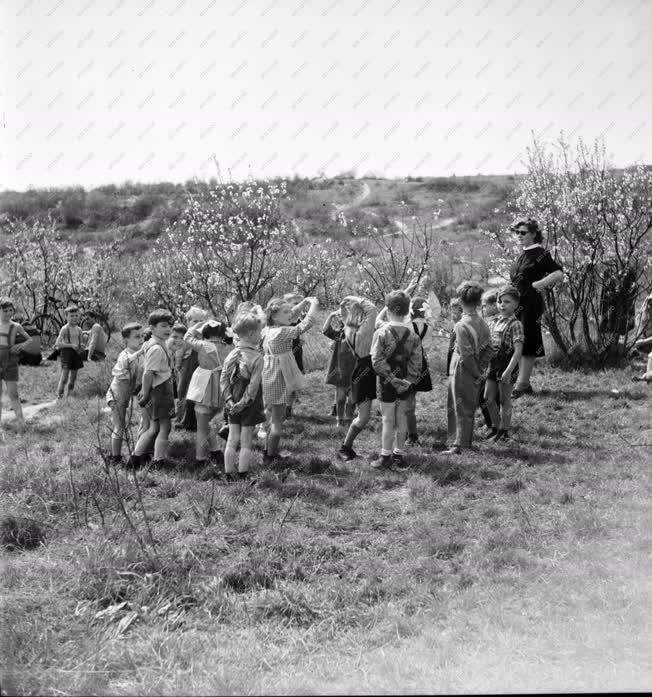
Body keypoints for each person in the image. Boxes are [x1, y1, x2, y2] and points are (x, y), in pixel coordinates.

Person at [508, 216, 563, 398]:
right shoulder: (523, 254)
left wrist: (540, 283)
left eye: (523, 232)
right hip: (515, 305)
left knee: (528, 341)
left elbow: (558, 272)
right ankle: (520, 382)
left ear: (533, 234)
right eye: (517, 232)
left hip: (531, 304)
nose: (519, 235)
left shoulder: (541, 253)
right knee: (516, 341)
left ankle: (522, 384)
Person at [261, 295, 319, 465]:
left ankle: (267, 451)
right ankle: (270, 457)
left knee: (272, 416)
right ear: (275, 316)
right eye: (285, 312)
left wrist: (303, 303)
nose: (290, 314)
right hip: (278, 377)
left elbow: (291, 314)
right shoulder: (284, 331)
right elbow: (305, 324)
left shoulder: (267, 330)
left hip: (269, 375)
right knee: (277, 423)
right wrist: (313, 305)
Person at [370, 290, 422, 470]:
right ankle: (399, 455)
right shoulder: (413, 335)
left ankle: (385, 456)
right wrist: (408, 381)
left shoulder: (381, 332)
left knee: (387, 419)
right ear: (407, 312)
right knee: (402, 418)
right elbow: (417, 361)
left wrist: (391, 379)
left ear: (388, 310)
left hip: (386, 382)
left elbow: (376, 360)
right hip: (405, 383)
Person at [445, 281, 494, 455]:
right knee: (469, 404)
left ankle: (460, 445)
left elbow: (466, 355)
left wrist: (475, 373)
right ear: (479, 301)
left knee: (459, 405)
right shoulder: (482, 322)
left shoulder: (461, 325)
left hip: (462, 369)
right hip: (477, 368)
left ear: (460, 300)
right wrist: (482, 368)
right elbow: (489, 348)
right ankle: (462, 441)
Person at [220, 312, 265, 480]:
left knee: (232, 440)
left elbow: (223, 379)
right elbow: (253, 386)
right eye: (260, 332)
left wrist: (229, 400)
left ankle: (228, 474)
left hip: (231, 403)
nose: (261, 335)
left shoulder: (231, 354)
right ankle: (243, 474)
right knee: (246, 442)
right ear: (252, 334)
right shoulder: (257, 357)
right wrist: (244, 403)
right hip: (249, 405)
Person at [130, 309, 176, 467]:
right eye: (163, 326)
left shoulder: (154, 343)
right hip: (159, 392)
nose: (168, 329)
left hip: (158, 390)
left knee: (153, 428)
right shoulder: (156, 348)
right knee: (165, 427)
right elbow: (148, 373)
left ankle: (136, 458)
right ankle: (158, 460)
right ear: (152, 328)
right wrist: (146, 392)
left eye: (170, 326)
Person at [184, 319, 231, 467]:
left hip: (204, 387)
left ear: (205, 331)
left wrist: (197, 325)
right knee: (207, 423)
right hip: (220, 387)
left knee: (201, 427)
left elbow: (187, 337)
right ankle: (215, 451)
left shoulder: (203, 345)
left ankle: (200, 458)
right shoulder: (229, 347)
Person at [336, 295, 378, 462]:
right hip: (365, 373)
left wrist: (343, 306)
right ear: (361, 315)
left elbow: (344, 314)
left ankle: (346, 448)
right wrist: (351, 298)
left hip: (363, 369)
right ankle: (344, 448)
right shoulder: (363, 332)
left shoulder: (348, 327)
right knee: (364, 417)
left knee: (365, 416)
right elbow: (373, 309)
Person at [483, 286, 524, 442]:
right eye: (500, 301)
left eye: (507, 302)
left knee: (504, 400)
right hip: (493, 365)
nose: (502, 305)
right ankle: (496, 427)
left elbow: (518, 351)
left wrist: (508, 371)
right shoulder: (494, 321)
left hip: (507, 365)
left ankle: (504, 432)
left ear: (515, 304)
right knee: (488, 398)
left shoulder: (516, 324)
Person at [105, 323, 145, 462]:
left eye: (142, 336)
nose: (141, 340)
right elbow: (127, 362)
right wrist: (140, 352)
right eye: (137, 337)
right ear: (126, 340)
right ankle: (115, 457)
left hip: (126, 394)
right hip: (116, 393)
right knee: (119, 426)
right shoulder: (126, 354)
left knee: (122, 424)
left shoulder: (140, 355)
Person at [405, 296, 434, 446]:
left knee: (406, 401)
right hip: (421, 363)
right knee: (411, 398)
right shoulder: (429, 327)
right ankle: (408, 432)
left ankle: (412, 435)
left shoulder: (407, 326)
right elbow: (427, 347)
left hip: (408, 363)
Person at [0, 297, 33, 429]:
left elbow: (30, 340)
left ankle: (21, 421)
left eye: (10, 310)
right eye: (5, 310)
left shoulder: (16, 326)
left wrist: (20, 346)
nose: (8, 313)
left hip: (10, 361)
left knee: (13, 393)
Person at [323, 309, 356, 428]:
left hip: (356, 372)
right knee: (341, 398)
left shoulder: (360, 335)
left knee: (352, 400)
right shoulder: (340, 334)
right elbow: (326, 330)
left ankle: (348, 420)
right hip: (340, 372)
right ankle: (340, 420)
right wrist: (331, 315)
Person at [54, 305, 85, 399]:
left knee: (73, 378)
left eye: (76, 315)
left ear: (79, 316)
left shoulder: (79, 329)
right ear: (66, 317)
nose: (74, 318)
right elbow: (57, 343)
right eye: (71, 316)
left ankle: (69, 395)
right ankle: (59, 396)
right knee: (65, 377)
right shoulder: (64, 329)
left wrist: (82, 346)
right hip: (66, 354)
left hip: (76, 354)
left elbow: (81, 342)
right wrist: (70, 345)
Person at [446, 297, 463, 375]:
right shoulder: (454, 326)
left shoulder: (461, 328)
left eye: (455, 313)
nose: (453, 316)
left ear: (462, 313)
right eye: (452, 313)